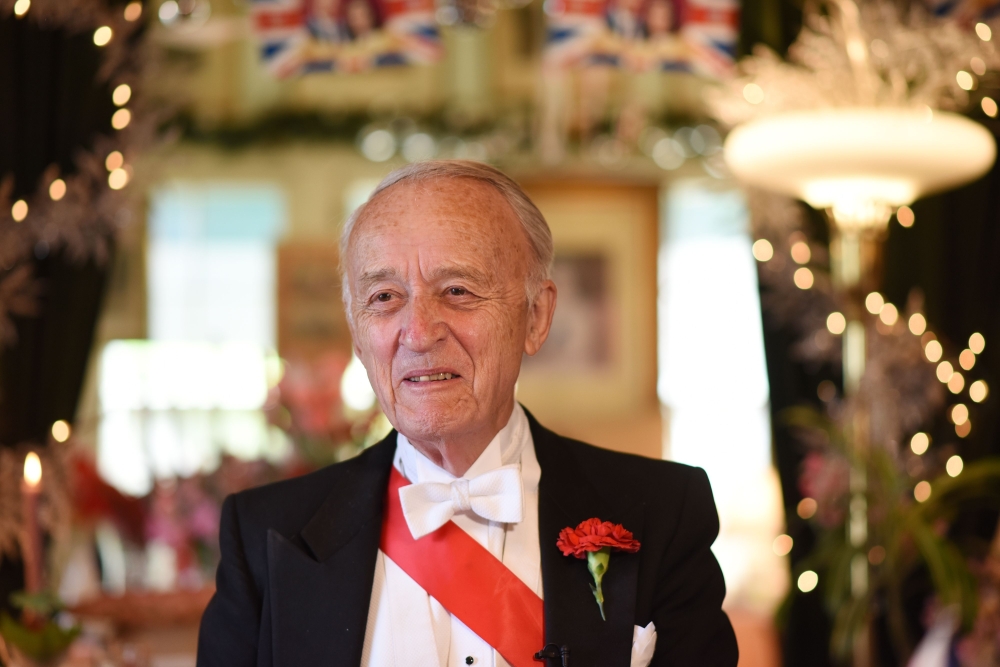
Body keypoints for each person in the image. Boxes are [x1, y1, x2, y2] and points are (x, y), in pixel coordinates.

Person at [196, 160, 738, 667]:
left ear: (536, 316)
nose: (418, 332)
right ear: (358, 335)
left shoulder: (662, 514)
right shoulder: (268, 537)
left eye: (457, 290)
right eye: (384, 297)